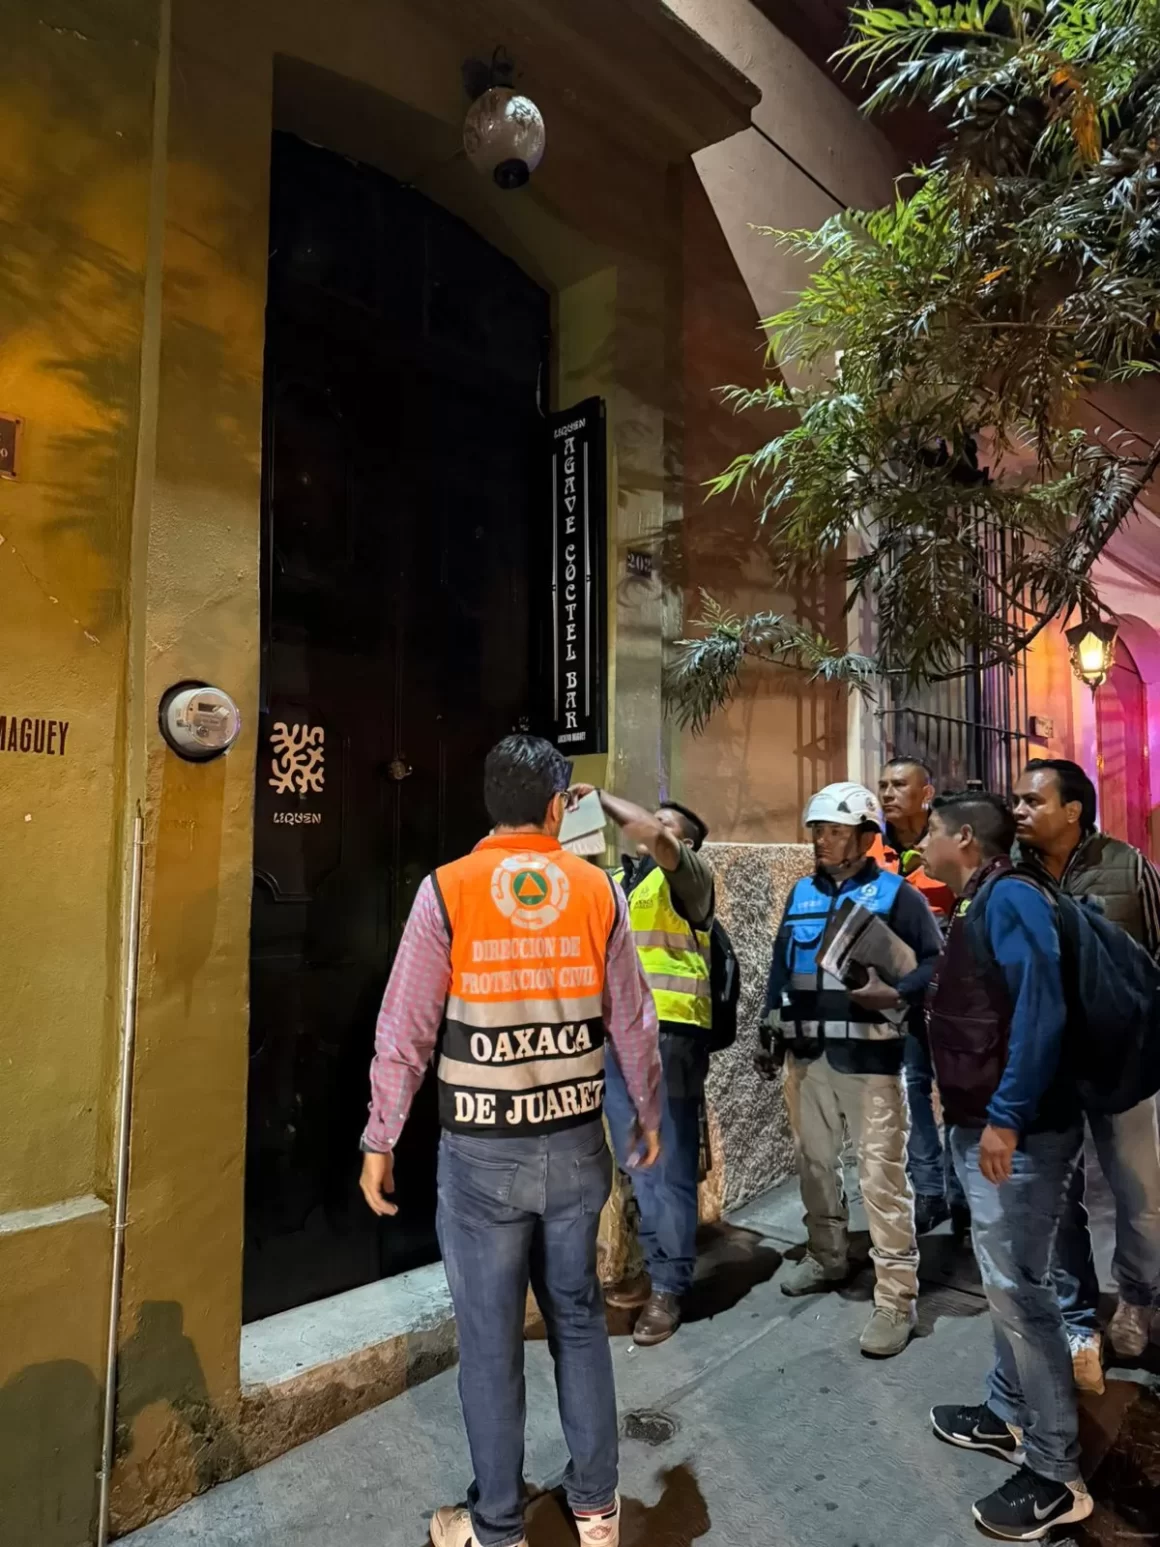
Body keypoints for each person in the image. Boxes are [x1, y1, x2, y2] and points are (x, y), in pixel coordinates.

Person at [359, 736, 663, 1547]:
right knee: (576, 1318)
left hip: (482, 1156)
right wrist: (649, 1112)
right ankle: (598, 1508)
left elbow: (406, 1027)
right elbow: (632, 1018)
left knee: (490, 1341)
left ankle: (497, 1526)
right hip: (574, 1148)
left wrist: (380, 1134)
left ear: (489, 803)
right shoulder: (597, 890)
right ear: (559, 804)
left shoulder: (448, 891)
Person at [921, 792, 1093, 1539]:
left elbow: (1039, 1010)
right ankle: (1006, 1410)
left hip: (1016, 1133)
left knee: (1023, 1293)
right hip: (982, 1123)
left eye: (931, 828)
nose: (920, 839)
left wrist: (1006, 1117)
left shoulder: (1011, 897)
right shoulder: (976, 899)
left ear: (963, 837)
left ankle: (1058, 1474)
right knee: (1003, 1285)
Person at [762, 781, 942, 1358]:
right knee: (814, 1166)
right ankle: (828, 1257)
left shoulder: (895, 895)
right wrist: (769, 1023)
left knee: (882, 1180)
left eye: (835, 831)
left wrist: (896, 988)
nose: (822, 841)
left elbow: (934, 963)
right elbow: (780, 964)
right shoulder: (800, 893)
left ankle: (896, 1299)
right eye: (818, 830)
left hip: (872, 1062)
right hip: (808, 1057)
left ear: (866, 838)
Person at [1013, 757, 1160, 1391]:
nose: (1017, 810)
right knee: (1059, 1200)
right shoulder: (1012, 876)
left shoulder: (1127, 865)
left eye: (1031, 801)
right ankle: (1078, 1314)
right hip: (1049, 1064)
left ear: (1072, 810)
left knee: (1140, 1193)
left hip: (1121, 1060)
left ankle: (1137, 1296)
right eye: (1015, 801)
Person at [570, 785, 715, 1348]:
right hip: (620, 1037)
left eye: (664, 824)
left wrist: (603, 798)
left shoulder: (690, 880)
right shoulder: (623, 884)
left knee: (667, 1171)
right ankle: (657, 1269)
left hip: (671, 1038)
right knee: (637, 1166)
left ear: (688, 842)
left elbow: (652, 835)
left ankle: (671, 1288)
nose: (648, 828)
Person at [873, 757, 967, 1237]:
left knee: (957, 1093)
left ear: (926, 793)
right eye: (883, 785)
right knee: (911, 1091)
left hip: (956, 997)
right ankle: (929, 1192)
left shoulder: (946, 841)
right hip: (898, 994)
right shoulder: (874, 848)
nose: (888, 793)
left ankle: (964, 1193)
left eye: (899, 785)